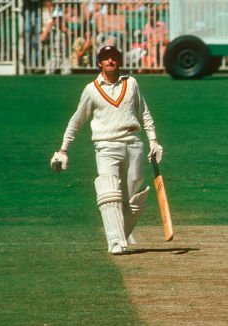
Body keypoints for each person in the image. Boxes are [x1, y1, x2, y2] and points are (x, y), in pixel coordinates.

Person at [50, 44, 163, 255]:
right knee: (109, 192)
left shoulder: (131, 83)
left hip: (133, 143)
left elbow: (144, 114)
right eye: (105, 58)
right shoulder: (91, 90)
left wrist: (154, 140)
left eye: (113, 57)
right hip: (106, 146)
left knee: (132, 198)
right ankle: (116, 242)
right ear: (99, 63)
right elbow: (77, 121)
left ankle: (122, 232)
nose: (110, 61)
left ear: (119, 60)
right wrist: (63, 150)